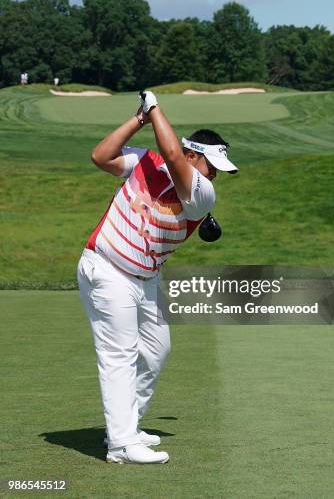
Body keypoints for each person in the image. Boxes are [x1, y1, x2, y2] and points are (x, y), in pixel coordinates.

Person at [77, 90, 238, 465]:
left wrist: (154, 107)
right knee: (120, 354)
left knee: (156, 349)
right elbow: (100, 156)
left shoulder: (203, 195)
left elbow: (171, 156)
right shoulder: (143, 163)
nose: (214, 175)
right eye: (211, 165)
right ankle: (120, 444)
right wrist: (139, 119)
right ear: (193, 154)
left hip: (145, 280)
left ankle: (128, 425)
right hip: (107, 268)